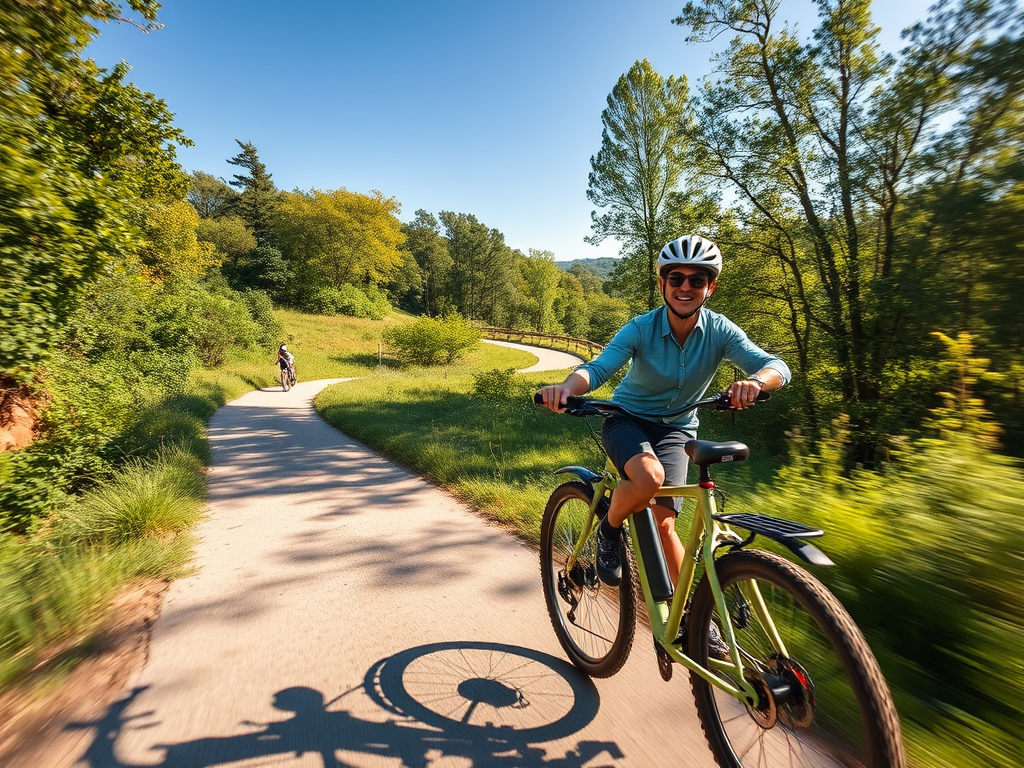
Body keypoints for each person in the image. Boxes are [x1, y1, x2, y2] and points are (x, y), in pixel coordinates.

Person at [538, 235, 791, 593]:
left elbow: (776, 366)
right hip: (627, 420)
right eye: (676, 279)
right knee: (648, 478)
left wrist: (756, 382)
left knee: (664, 525)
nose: (685, 287)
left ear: (710, 287)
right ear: (663, 284)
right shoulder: (641, 328)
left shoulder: (721, 331)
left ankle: (692, 619)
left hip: (677, 430)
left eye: (697, 280)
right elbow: (596, 370)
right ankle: (609, 531)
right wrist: (566, 388)